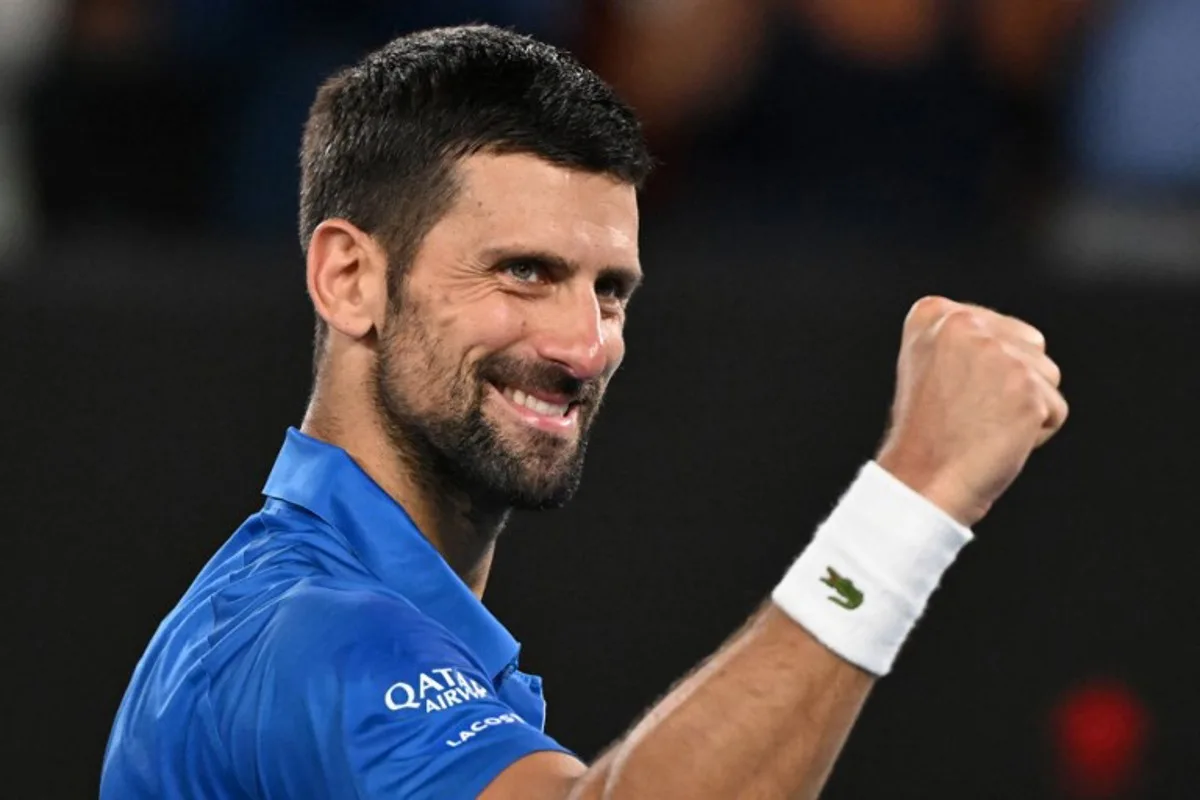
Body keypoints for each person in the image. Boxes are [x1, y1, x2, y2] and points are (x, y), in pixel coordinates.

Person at [100, 24, 1068, 799]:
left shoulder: (317, 608)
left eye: (610, 289)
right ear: (349, 278)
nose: (586, 344)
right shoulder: (320, 635)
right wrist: (913, 494)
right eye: (524, 272)